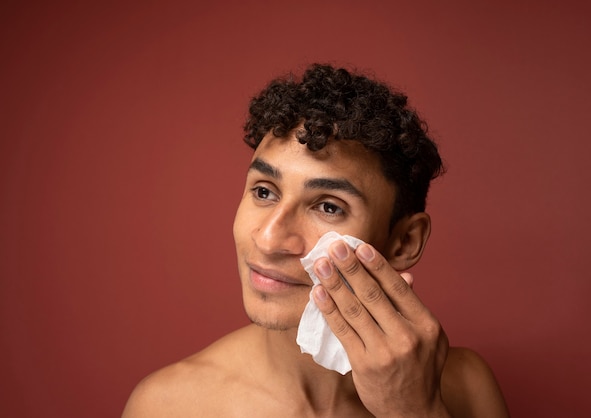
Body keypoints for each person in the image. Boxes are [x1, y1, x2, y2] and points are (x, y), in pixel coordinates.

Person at [122, 63, 509, 417]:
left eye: (327, 206)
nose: (270, 240)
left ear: (403, 242)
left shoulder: (466, 387)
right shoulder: (167, 406)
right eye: (263, 192)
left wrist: (415, 411)